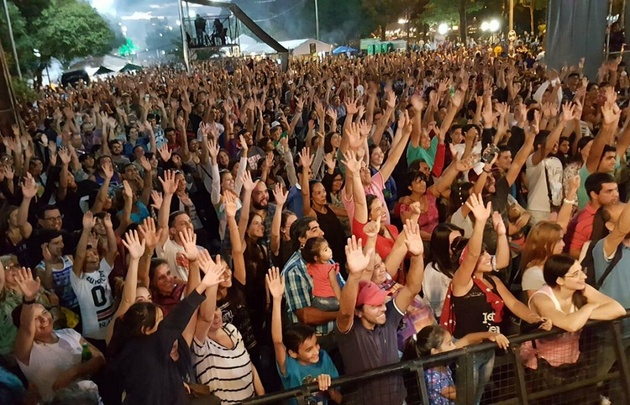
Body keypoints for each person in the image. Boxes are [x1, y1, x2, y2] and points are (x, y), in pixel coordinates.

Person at [108, 250, 226, 405]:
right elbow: (179, 315)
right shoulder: (151, 344)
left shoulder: (132, 347)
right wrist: (204, 284)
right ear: (144, 329)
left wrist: (175, 383)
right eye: (159, 322)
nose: (164, 326)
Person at [335, 222, 424, 405]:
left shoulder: (389, 317)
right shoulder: (350, 332)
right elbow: (345, 312)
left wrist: (417, 256)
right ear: (359, 311)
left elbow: (412, 288)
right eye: (375, 306)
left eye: (381, 302)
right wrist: (353, 276)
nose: (383, 308)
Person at [12, 267, 105, 402]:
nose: (44, 320)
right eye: (35, 319)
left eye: (44, 313)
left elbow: (100, 359)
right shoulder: (26, 353)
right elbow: (26, 329)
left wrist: (74, 372)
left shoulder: (69, 333)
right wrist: (29, 299)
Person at [268, 267, 341, 404]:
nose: (316, 351)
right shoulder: (288, 364)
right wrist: (277, 300)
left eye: (316, 344)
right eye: (308, 349)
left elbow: (339, 399)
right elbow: (277, 341)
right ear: (293, 353)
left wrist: (328, 388)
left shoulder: (324, 358)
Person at [403, 324, 509, 405]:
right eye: (449, 343)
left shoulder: (442, 361)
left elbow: (468, 339)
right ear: (435, 352)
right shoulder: (432, 377)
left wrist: (492, 335)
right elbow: (462, 395)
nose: (454, 347)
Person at [302, 237, 341, 311]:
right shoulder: (330, 268)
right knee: (349, 304)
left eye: (328, 247)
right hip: (330, 300)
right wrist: (341, 301)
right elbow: (335, 285)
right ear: (316, 257)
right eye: (325, 250)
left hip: (316, 300)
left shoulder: (310, 266)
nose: (330, 250)